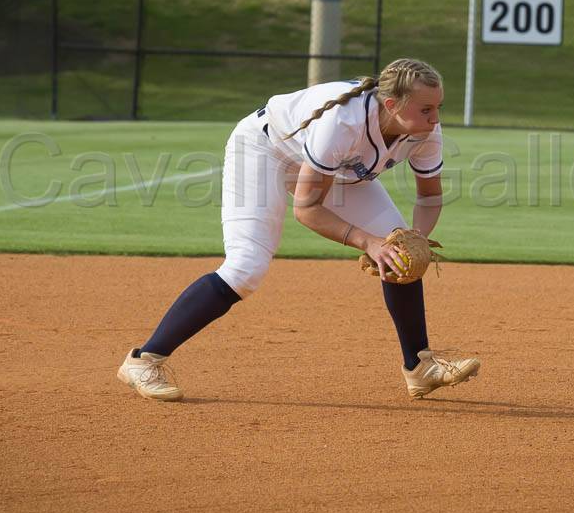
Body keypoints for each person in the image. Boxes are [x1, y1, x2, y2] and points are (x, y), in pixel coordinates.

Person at [117, 58, 481, 402]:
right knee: (246, 268)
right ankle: (144, 360)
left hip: (338, 168)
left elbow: (430, 197)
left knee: (399, 250)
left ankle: (419, 366)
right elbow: (307, 209)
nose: (435, 119)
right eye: (426, 109)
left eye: (438, 108)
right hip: (268, 150)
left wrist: (412, 237)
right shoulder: (344, 122)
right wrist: (368, 242)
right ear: (391, 105)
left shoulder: (424, 132)